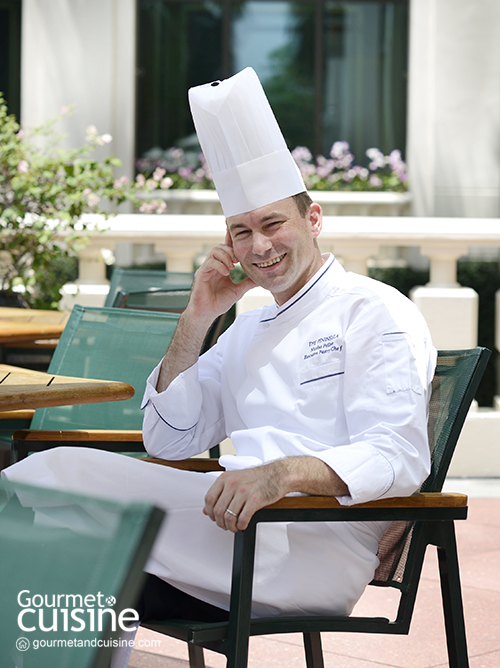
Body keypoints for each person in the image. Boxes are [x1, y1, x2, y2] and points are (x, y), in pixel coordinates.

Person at [2, 68, 436, 663]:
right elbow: (168, 435)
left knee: (46, 475)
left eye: (273, 223)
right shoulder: (248, 325)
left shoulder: (375, 309)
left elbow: (398, 455)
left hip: (307, 544)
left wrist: (279, 475)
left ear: (312, 220)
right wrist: (196, 319)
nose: (259, 247)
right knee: (52, 551)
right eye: (242, 232)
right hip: (227, 522)